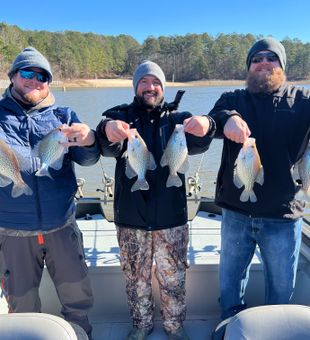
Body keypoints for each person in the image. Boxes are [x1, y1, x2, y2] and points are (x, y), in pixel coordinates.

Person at [96, 60, 215, 339]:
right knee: (135, 280)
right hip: (130, 219)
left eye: (156, 82)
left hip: (171, 218)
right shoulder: (121, 118)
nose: (151, 87)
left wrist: (206, 125)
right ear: (136, 86)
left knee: (173, 279)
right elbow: (104, 143)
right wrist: (107, 130)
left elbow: (203, 141)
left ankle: (175, 327)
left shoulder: (179, 121)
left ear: (163, 87)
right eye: (144, 82)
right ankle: (141, 326)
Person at [0, 47, 100, 339]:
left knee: (77, 297)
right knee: (22, 304)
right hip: (12, 232)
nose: (34, 80)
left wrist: (90, 139)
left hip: (61, 225)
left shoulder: (63, 115)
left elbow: (88, 159)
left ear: (49, 82)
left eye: (42, 75)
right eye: (27, 73)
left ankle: (80, 335)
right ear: (13, 77)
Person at [208, 37, 310, 322]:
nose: (263, 63)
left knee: (280, 290)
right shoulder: (233, 99)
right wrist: (227, 118)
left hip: (285, 214)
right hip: (236, 212)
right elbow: (212, 119)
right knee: (230, 282)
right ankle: (229, 323)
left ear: (282, 65)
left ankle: (274, 327)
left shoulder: (303, 101)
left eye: (271, 58)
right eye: (256, 59)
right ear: (249, 68)